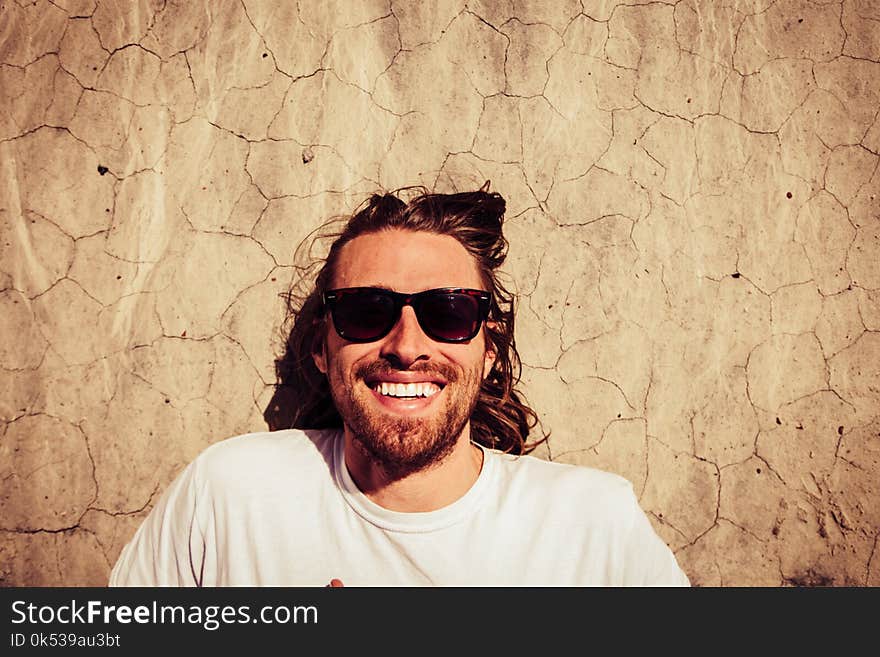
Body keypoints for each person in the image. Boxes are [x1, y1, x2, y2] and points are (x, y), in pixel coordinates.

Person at [109, 185, 690, 586]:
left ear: (488, 349)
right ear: (320, 345)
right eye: (366, 311)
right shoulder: (227, 495)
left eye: (449, 312)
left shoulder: (591, 523)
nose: (407, 346)